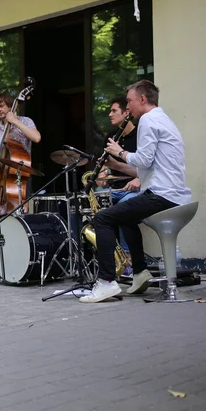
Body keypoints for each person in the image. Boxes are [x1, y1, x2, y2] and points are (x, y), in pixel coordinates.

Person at [80, 80, 192, 303]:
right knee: (124, 215)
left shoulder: (148, 120)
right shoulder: (163, 119)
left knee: (103, 218)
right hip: (172, 194)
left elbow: (143, 159)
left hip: (162, 196)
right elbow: (145, 166)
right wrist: (118, 163)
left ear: (142, 99)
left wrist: (119, 152)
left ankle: (106, 282)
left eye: (129, 101)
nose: (128, 107)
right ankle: (140, 273)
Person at [0, 92, 41, 265]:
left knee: (21, 213)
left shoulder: (26, 121)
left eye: (2, 106)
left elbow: (36, 138)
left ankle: (21, 253)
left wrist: (15, 122)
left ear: (10, 106)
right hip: (1, 176)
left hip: (21, 176)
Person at [96, 96, 141, 259]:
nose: (109, 114)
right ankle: (102, 255)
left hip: (135, 189)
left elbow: (148, 167)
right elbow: (105, 166)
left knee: (124, 206)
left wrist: (140, 179)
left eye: (114, 110)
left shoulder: (140, 135)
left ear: (126, 112)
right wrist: (101, 175)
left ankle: (126, 257)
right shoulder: (112, 137)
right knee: (87, 200)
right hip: (115, 188)